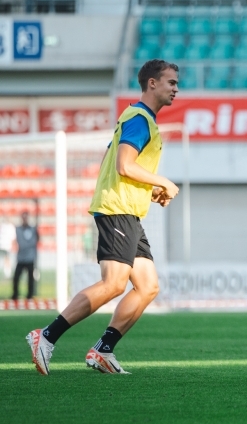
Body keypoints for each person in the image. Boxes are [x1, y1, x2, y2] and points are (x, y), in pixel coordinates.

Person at [26, 59, 181, 375]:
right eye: (171, 82)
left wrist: (149, 189)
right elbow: (124, 164)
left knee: (148, 286)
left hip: (128, 210)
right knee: (113, 284)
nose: (176, 89)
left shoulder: (138, 118)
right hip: (117, 210)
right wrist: (163, 181)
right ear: (152, 83)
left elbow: (115, 165)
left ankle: (103, 350)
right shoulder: (139, 119)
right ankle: (47, 335)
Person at [12, 210, 39, 301]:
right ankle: (15, 295)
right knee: (16, 277)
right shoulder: (18, 229)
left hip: (30, 257)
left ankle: (30, 295)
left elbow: (36, 240)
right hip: (21, 258)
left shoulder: (33, 229)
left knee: (30, 278)